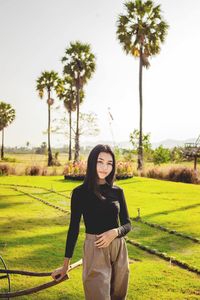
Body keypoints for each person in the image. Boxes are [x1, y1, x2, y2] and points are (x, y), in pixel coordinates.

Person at [51, 144, 132, 300]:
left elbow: (127, 224)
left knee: (119, 296)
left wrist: (115, 232)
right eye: (100, 161)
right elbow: (73, 229)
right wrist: (65, 265)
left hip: (119, 248)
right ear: (92, 162)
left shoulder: (117, 191)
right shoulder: (79, 193)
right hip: (95, 249)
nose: (104, 167)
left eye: (109, 163)